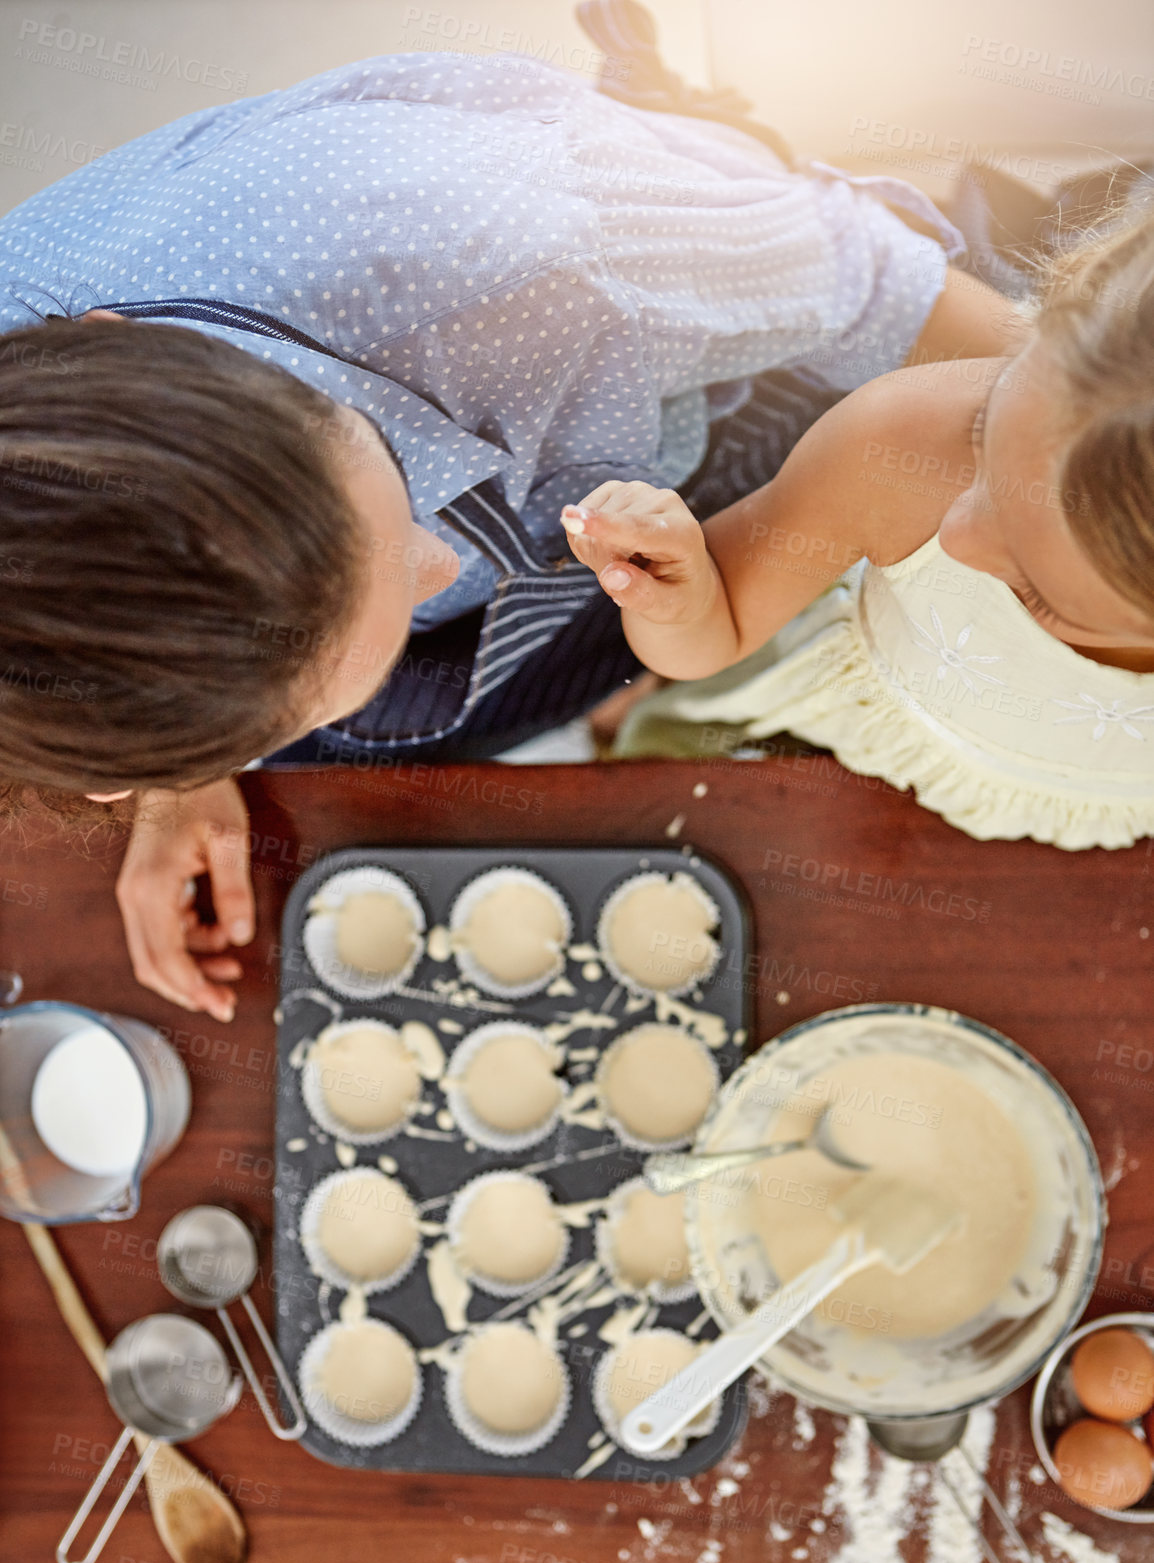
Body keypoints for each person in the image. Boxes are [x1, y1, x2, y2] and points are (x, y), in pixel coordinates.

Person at [0, 51, 1029, 1020]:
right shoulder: (70, 524)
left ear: (124, 346)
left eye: (392, 489)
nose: (445, 568)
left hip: (695, 393)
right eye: (276, 710)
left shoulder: (539, 239)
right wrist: (189, 760)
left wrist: (1057, 463)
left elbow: (873, 278)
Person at [559, 211, 1154, 850]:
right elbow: (720, 626)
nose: (955, 538)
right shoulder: (901, 441)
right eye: (987, 438)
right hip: (810, 768)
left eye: (1036, 591)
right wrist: (681, 604)